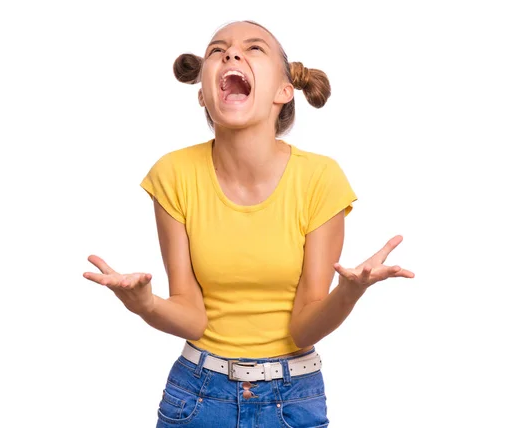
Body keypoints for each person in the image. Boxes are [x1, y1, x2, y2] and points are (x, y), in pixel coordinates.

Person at [83, 20, 414, 427]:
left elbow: (303, 328)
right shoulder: (173, 174)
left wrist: (348, 293)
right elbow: (191, 314)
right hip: (196, 396)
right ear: (204, 93)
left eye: (253, 48)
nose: (231, 53)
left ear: (283, 91)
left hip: (292, 398)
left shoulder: (320, 179)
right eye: (217, 49)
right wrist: (146, 306)